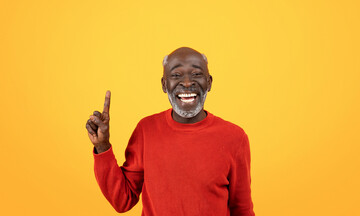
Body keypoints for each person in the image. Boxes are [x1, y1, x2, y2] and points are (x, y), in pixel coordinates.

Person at [85, 47, 255, 216]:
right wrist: (102, 146)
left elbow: (242, 210)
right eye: (176, 75)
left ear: (209, 82)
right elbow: (122, 200)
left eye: (196, 74)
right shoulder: (146, 130)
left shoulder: (234, 138)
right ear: (164, 85)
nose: (187, 83)